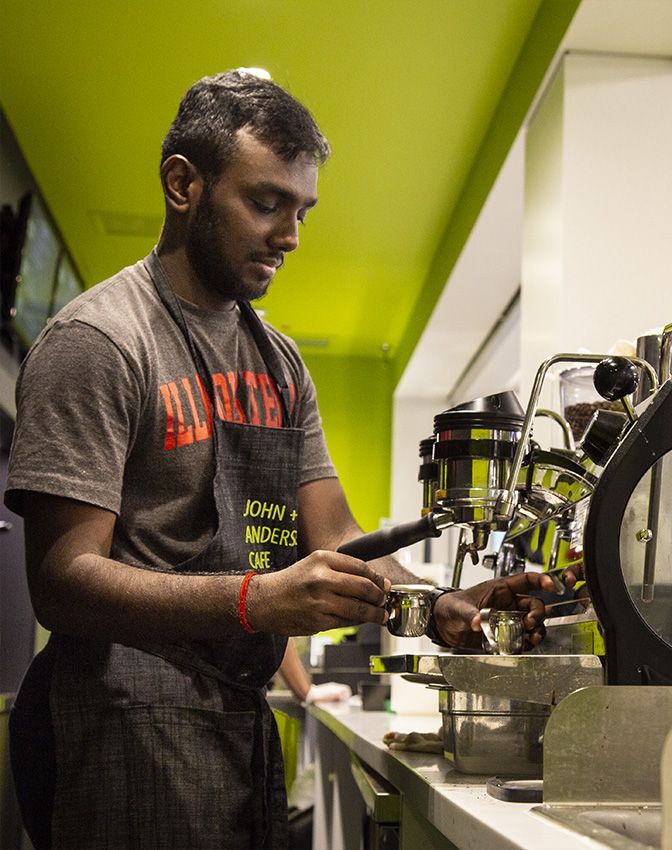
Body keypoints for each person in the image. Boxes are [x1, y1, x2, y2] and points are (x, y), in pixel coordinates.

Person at [3, 69, 558, 849]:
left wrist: (439, 606)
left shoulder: (281, 364)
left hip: (237, 717)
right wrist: (257, 601)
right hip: (117, 718)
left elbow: (334, 539)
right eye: (266, 203)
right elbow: (62, 585)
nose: (291, 236)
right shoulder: (99, 342)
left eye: (302, 211)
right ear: (182, 184)